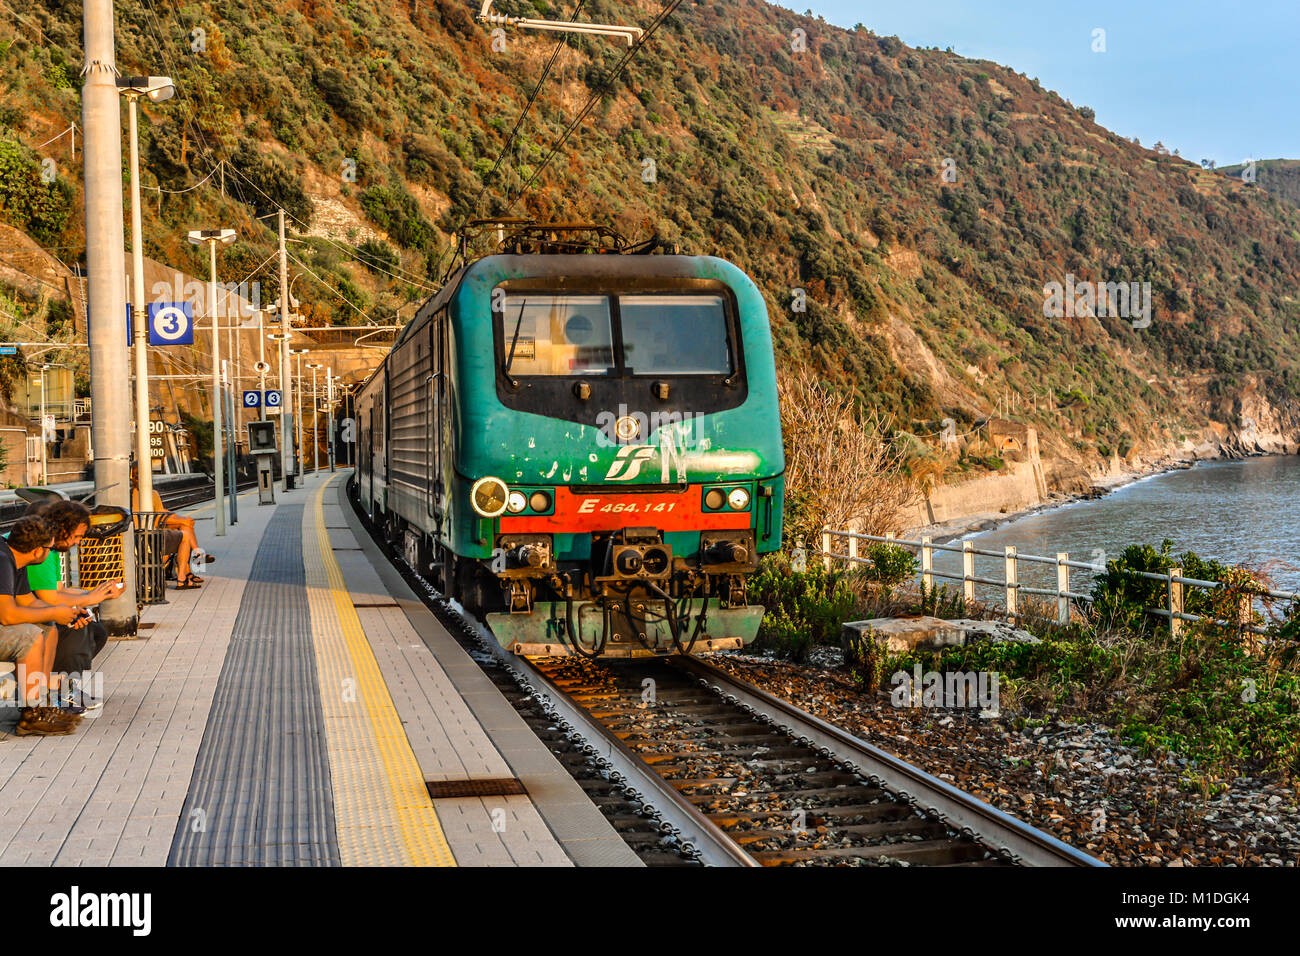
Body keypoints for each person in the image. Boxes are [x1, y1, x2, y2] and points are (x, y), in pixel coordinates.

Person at [26, 499, 123, 711]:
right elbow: (48, 598)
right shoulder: (38, 550)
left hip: (28, 612)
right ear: (62, 530)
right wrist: (89, 600)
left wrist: (96, 593)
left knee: (95, 630)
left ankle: (64, 686)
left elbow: (59, 591)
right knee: (76, 629)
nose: (78, 543)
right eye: (77, 536)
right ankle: (61, 692)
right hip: (19, 620)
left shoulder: (48, 550)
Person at [0, 517, 85, 736]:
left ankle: (42, 703)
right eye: (49, 548)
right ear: (38, 550)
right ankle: (32, 714)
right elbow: (8, 615)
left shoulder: (14, 559)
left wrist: (66, 613)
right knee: (29, 636)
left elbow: (28, 601)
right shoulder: (2, 561)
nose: (51, 552)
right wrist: (54, 611)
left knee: (46, 626)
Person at [130, 462, 211, 588]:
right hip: (150, 538)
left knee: (184, 525)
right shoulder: (150, 494)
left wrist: (180, 520)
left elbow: (160, 515)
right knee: (185, 532)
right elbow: (156, 520)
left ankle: (191, 567)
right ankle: (186, 571)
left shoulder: (128, 495)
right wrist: (181, 521)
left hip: (138, 537)